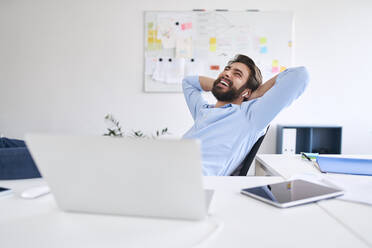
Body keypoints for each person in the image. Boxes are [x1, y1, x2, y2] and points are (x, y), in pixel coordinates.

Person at [182, 54, 309, 176]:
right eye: (226, 70)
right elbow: (188, 82)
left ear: (247, 92)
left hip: (193, 181)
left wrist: (256, 93)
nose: (226, 73)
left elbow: (300, 75)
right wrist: (221, 84)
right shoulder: (202, 111)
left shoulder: (249, 116)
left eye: (237, 74)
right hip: (169, 167)